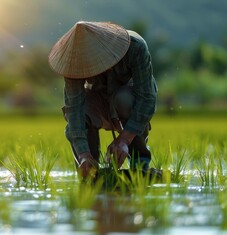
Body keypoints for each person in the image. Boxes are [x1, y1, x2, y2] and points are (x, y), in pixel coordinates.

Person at [48, 21, 158, 180]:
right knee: (80, 113)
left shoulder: (135, 47)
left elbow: (146, 98)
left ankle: (140, 165)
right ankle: (90, 168)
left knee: (124, 99)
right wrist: (84, 154)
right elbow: (74, 109)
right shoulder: (73, 64)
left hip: (127, 98)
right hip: (98, 98)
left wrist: (124, 140)